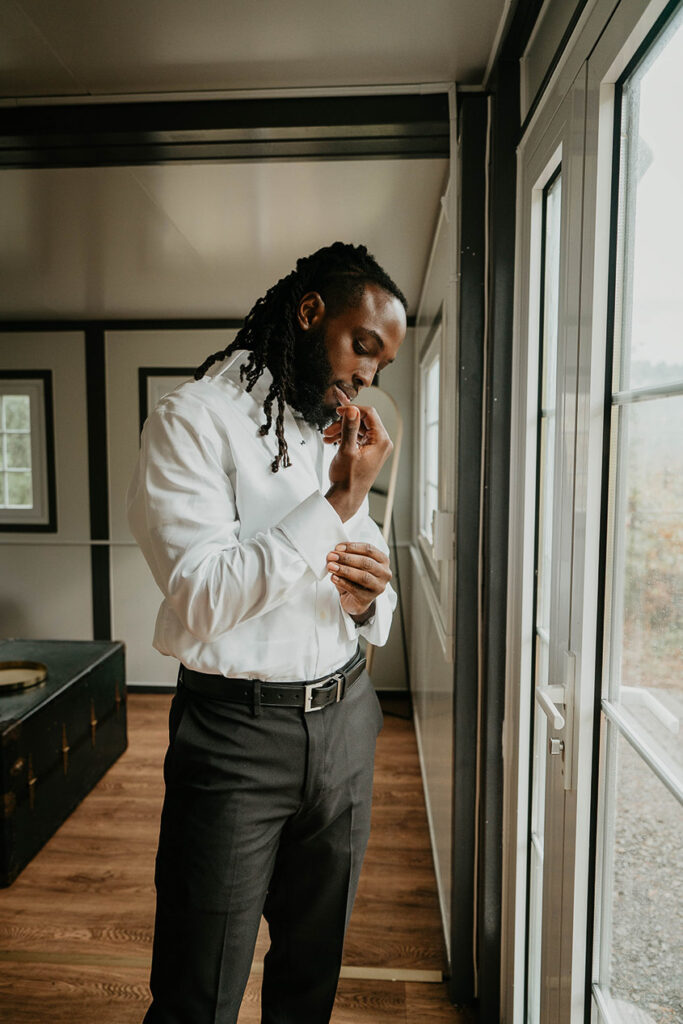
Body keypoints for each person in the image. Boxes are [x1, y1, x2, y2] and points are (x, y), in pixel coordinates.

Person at [126, 241, 407, 1023]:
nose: (366, 377)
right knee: (198, 987)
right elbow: (203, 597)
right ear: (310, 311)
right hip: (235, 740)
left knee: (311, 975)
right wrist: (338, 501)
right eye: (364, 347)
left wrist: (366, 601)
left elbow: (371, 579)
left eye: (381, 365)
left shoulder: (327, 430)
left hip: (347, 723)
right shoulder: (190, 421)